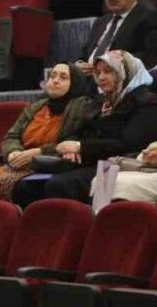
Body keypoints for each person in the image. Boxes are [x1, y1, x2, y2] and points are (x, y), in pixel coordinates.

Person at [14, 50, 157, 206]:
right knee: (26, 187)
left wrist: (80, 147)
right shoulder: (101, 101)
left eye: (108, 72)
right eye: (98, 72)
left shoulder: (146, 102)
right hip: (88, 162)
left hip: (119, 165)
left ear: (126, 72)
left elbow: (129, 143)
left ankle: (80, 222)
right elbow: (79, 130)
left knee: (59, 185)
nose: (101, 77)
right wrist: (72, 147)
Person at [0, 63, 90, 201]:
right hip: (20, 163)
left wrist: (37, 153)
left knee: (18, 186)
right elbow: (12, 136)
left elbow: (72, 142)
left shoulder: (82, 108)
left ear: (75, 83)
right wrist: (13, 152)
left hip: (49, 164)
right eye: (52, 76)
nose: (55, 80)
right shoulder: (35, 107)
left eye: (63, 77)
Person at [76, 0, 157, 74]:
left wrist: (108, 66)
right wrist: (79, 64)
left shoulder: (149, 17)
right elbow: (84, 54)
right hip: (89, 77)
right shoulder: (100, 22)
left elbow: (151, 56)